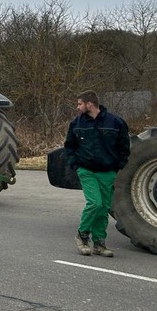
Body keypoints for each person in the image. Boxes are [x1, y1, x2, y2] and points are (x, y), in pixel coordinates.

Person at [64, 90, 130, 257]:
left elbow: (124, 146)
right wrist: (76, 165)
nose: (77, 107)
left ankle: (99, 243)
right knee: (95, 203)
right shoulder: (77, 123)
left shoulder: (115, 122)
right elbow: (70, 146)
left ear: (89, 104)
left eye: (79, 104)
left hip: (107, 171)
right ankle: (82, 236)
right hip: (86, 170)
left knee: (104, 208)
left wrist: (118, 166)